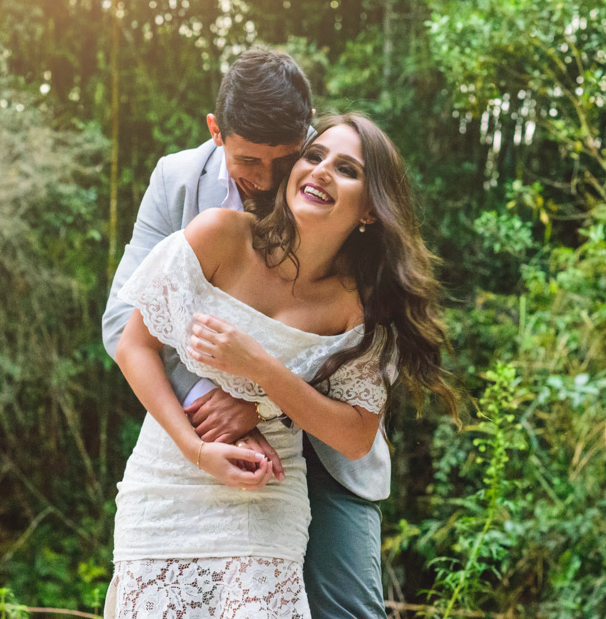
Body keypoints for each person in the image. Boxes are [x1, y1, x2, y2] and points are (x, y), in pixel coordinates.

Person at [102, 112, 459, 618]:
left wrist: (261, 369)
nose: (322, 171)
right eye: (314, 156)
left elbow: (357, 435)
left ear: (370, 211)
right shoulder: (220, 234)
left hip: (268, 492)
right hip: (169, 476)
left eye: (347, 170)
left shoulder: (360, 308)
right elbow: (132, 345)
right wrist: (197, 450)